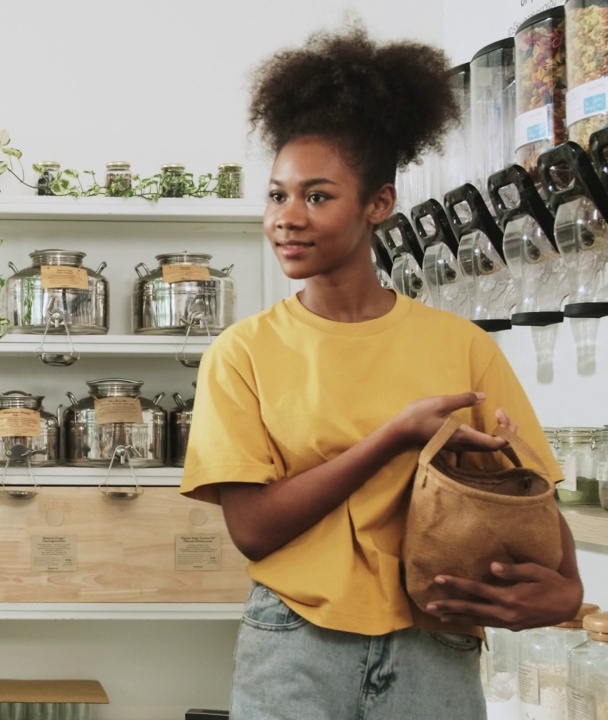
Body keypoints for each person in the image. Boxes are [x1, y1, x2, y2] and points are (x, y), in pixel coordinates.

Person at [180, 25, 584, 719]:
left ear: (379, 204)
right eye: (277, 196)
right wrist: (395, 436)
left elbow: (531, 501)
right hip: (296, 646)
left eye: (317, 196)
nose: (287, 219)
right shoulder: (243, 353)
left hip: (437, 646)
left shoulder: (462, 346)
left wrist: (568, 592)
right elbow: (253, 528)